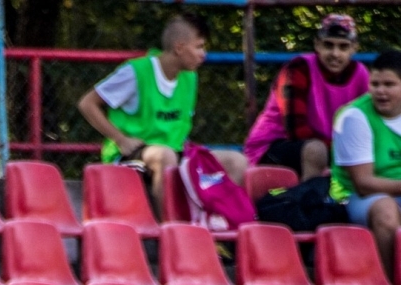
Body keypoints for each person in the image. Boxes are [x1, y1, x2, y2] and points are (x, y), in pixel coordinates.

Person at [77, 14, 246, 216]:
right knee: (164, 156)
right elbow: (87, 103)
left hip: (175, 151)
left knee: (237, 161)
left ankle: (212, 227)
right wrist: (120, 139)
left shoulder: (189, 78)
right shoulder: (136, 71)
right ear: (179, 47)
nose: (204, 54)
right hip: (134, 153)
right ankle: (170, 231)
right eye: (199, 46)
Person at [245, 14, 369, 180]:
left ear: (354, 48)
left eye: (343, 47)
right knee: (316, 151)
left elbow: (370, 124)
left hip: (329, 148)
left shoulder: (360, 74)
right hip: (271, 148)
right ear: (317, 44)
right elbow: (296, 130)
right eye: (328, 45)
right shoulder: (298, 69)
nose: (335, 53)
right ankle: (311, 201)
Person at [330, 49, 401, 280]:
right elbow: (363, 184)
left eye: (389, 84)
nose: (380, 91)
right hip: (352, 196)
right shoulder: (354, 117)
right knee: (385, 211)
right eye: (375, 84)